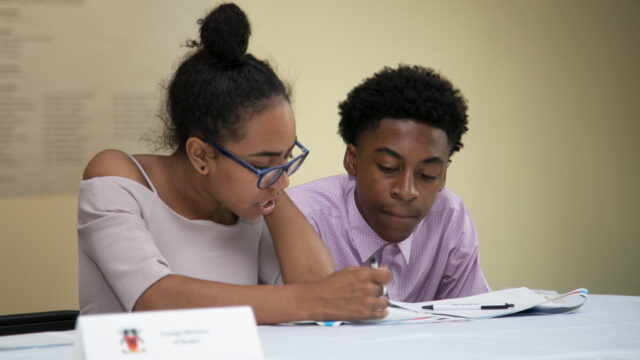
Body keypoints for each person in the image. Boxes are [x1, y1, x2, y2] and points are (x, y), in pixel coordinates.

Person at [76, 3, 390, 324]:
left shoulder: (246, 204)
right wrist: (317, 299)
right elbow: (155, 299)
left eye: (287, 156)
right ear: (200, 156)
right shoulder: (118, 177)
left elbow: (315, 286)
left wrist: (269, 180)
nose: (285, 181)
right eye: (264, 162)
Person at [287, 65, 490, 302]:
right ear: (352, 160)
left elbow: (474, 322)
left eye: (427, 174)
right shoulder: (303, 218)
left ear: (443, 176)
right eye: (389, 168)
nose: (406, 191)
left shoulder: (449, 219)